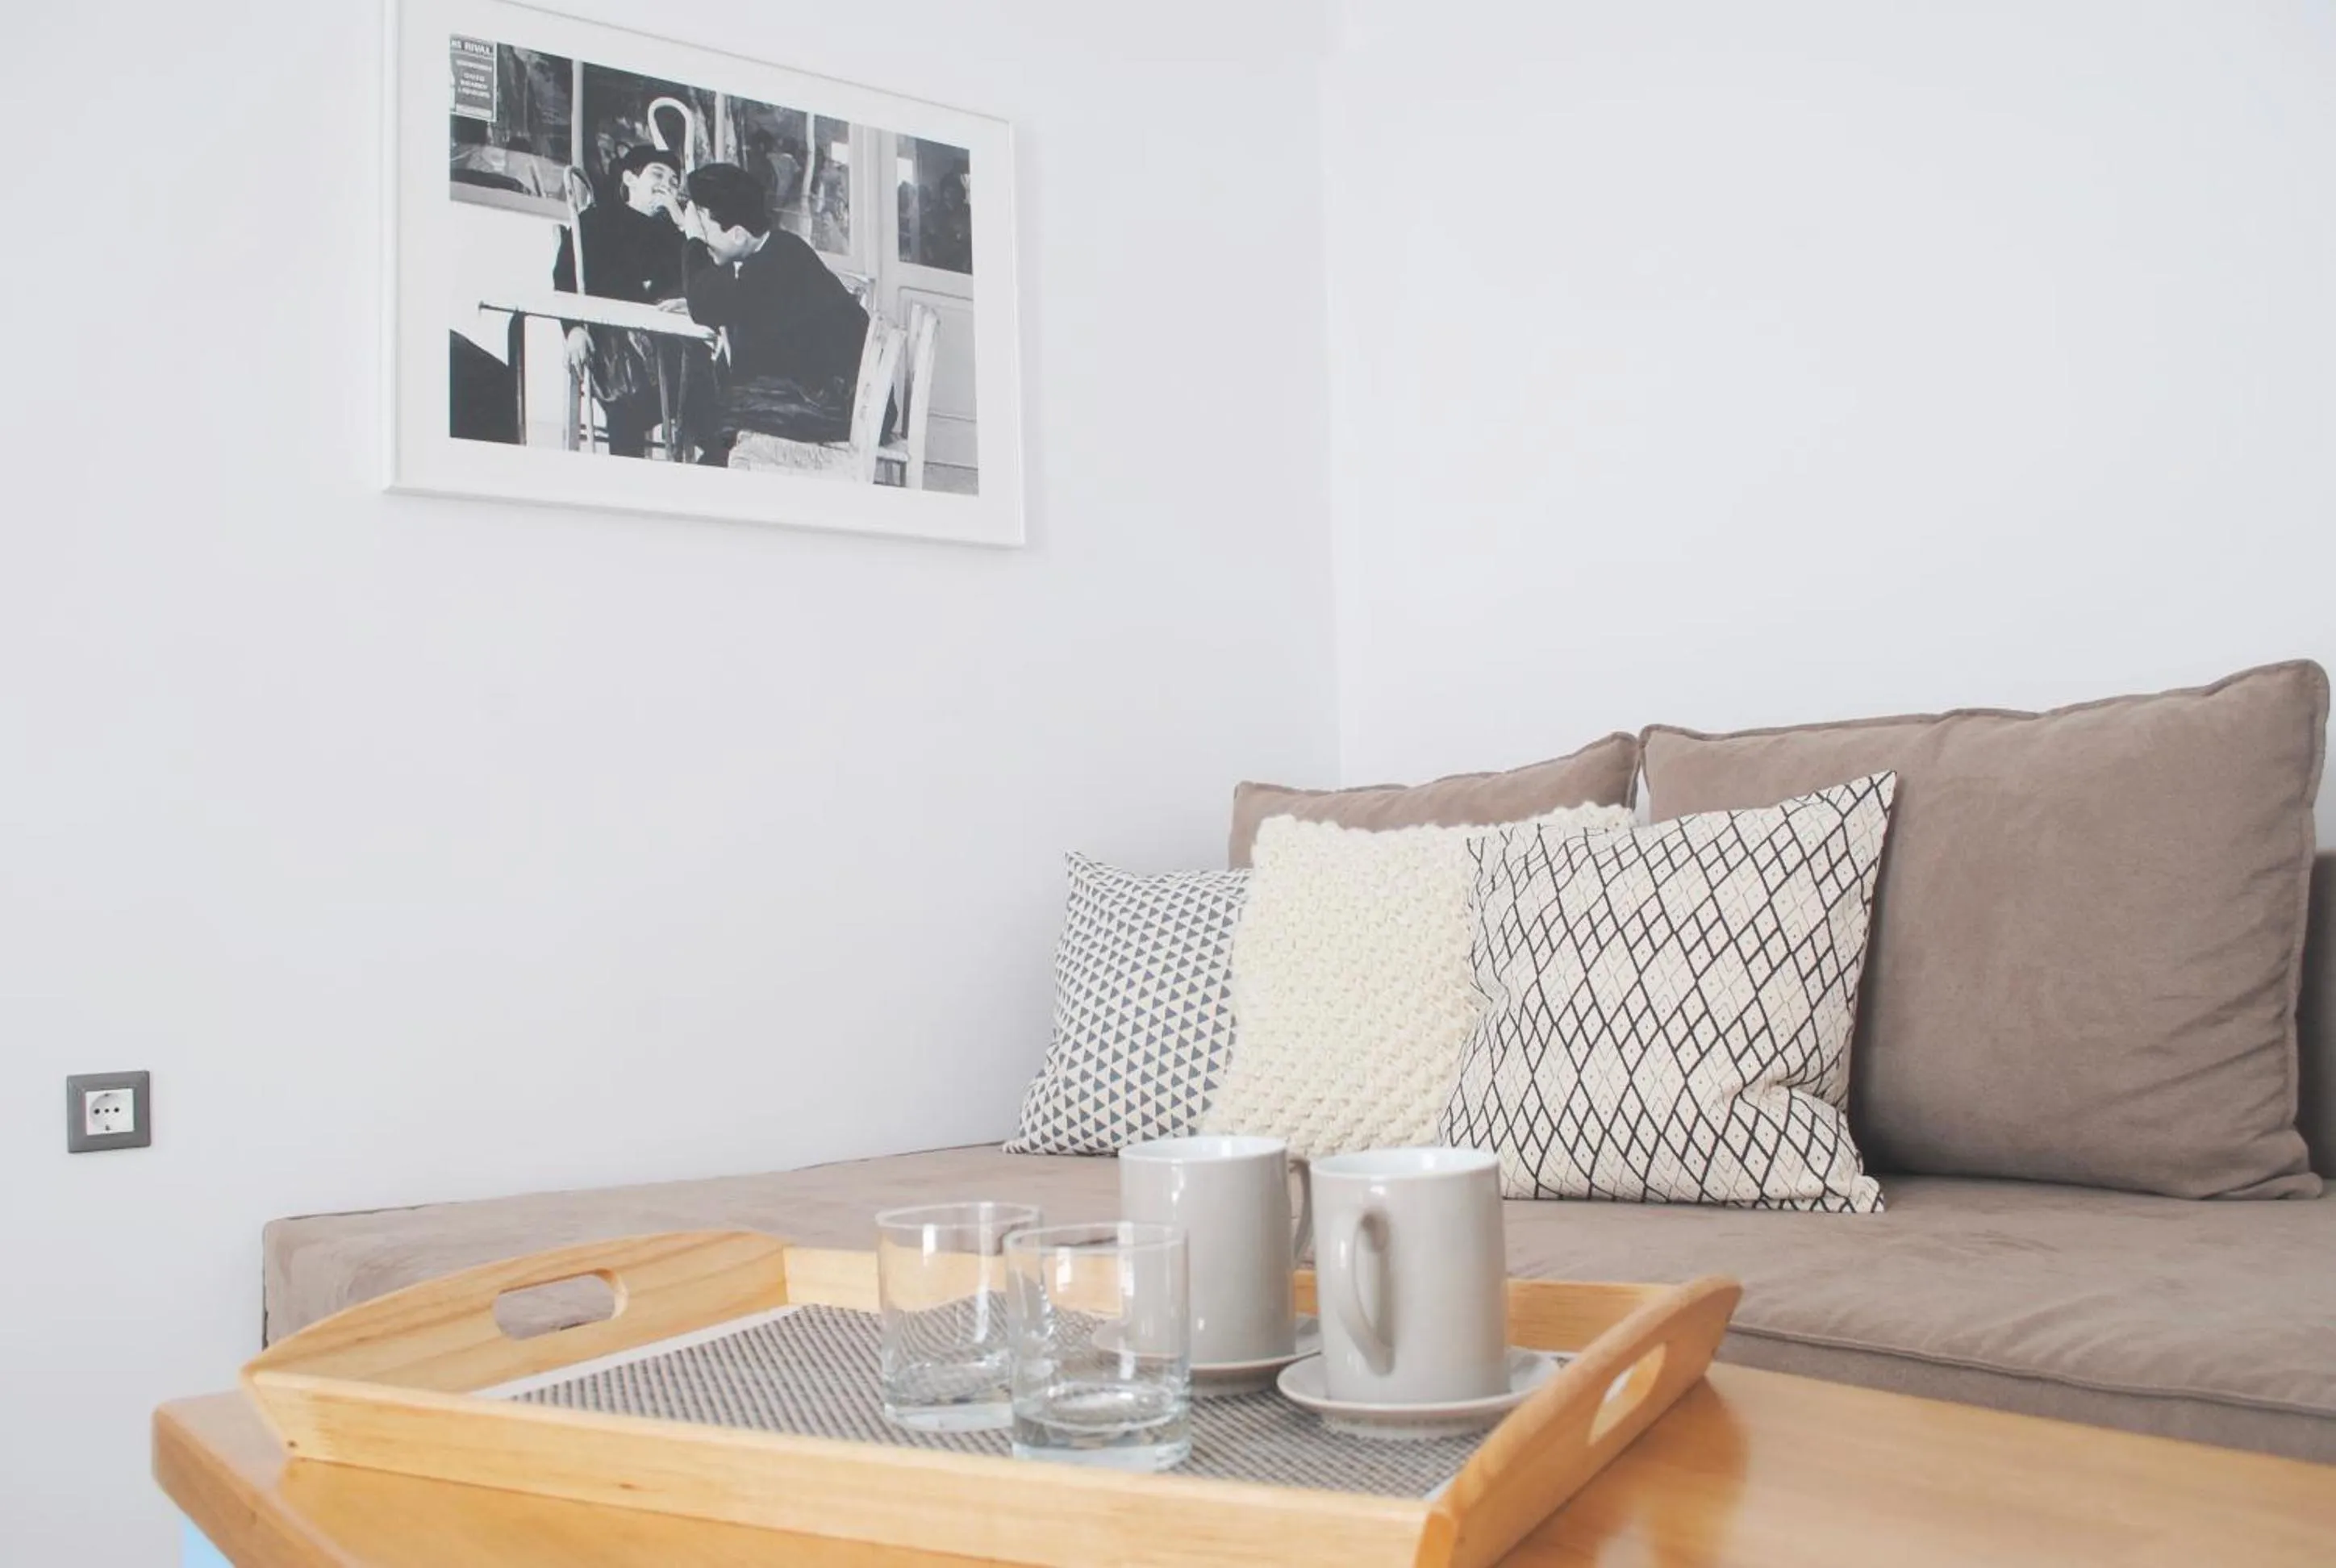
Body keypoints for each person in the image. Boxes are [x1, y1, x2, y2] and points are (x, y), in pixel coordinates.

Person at [680, 161, 873, 461]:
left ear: (738, 235)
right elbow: (725, 303)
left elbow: (705, 307)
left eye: (704, 231)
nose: (703, 243)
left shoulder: (775, 263)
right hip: (839, 395)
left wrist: (692, 242)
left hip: (841, 404)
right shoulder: (779, 250)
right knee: (712, 409)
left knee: (716, 417)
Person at [553, 144, 692, 458]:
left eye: (673, 182)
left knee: (717, 409)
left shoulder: (673, 235)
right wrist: (573, 329)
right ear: (629, 179)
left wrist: (682, 223)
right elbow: (566, 277)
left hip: (671, 354)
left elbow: (698, 283)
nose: (666, 185)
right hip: (616, 356)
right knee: (626, 410)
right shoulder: (598, 220)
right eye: (657, 174)